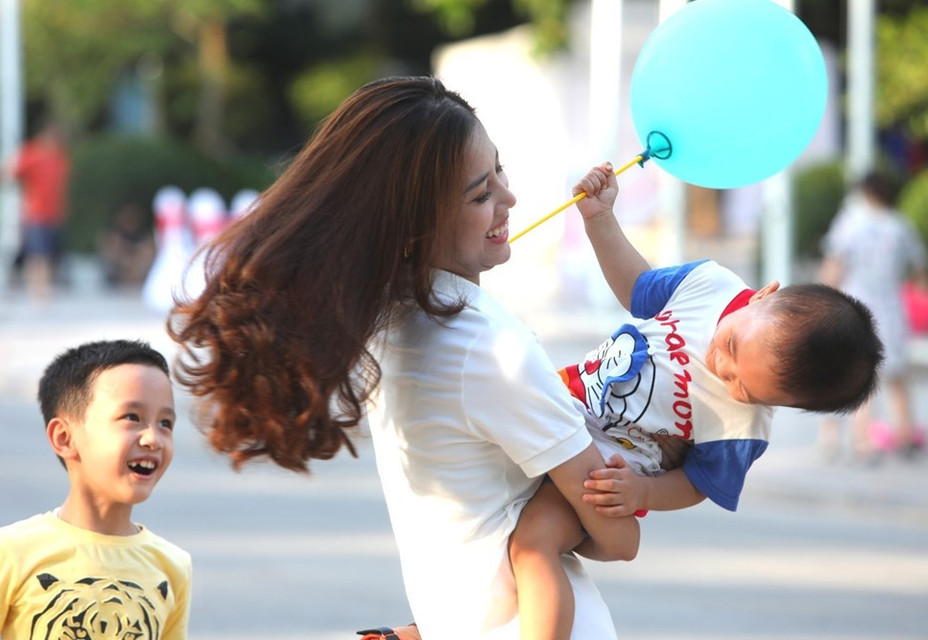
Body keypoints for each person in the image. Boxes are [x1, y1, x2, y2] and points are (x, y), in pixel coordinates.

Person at [168, 76, 642, 640]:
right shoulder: (495, 349)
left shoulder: (378, 323)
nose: (508, 198)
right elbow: (620, 539)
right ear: (414, 222)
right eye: (479, 195)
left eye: (500, 172)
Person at [507, 163, 885, 640]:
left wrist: (641, 495)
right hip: (562, 401)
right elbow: (636, 287)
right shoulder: (709, 284)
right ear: (762, 296)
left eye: (745, 388)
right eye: (731, 348)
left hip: (603, 472)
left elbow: (697, 482)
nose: (721, 369)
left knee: (532, 545)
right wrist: (600, 221)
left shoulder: (741, 430)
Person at [0, 339, 192, 639]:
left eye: (166, 423)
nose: (153, 438)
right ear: (64, 438)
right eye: (132, 417)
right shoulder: (11, 551)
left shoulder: (172, 566)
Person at [817, 171, 928, 462]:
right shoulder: (900, 225)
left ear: (864, 192)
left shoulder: (850, 223)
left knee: (859, 373)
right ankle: (905, 436)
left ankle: (862, 441)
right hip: (891, 308)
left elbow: (834, 267)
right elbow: (919, 271)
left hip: (856, 308)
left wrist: (821, 301)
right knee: (897, 376)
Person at [1, 121, 71, 301]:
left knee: (49, 254)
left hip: (54, 213)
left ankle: (44, 288)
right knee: (37, 254)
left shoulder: (59, 157)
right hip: (36, 213)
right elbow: (8, 175)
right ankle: (39, 290)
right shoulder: (31, 153)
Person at [97, 202, 157, 288]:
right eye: (126, 215)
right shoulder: (113, 238)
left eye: (133, 216)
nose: (129, 219)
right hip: (115, 287)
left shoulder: (146, 239)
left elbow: (148, 256)